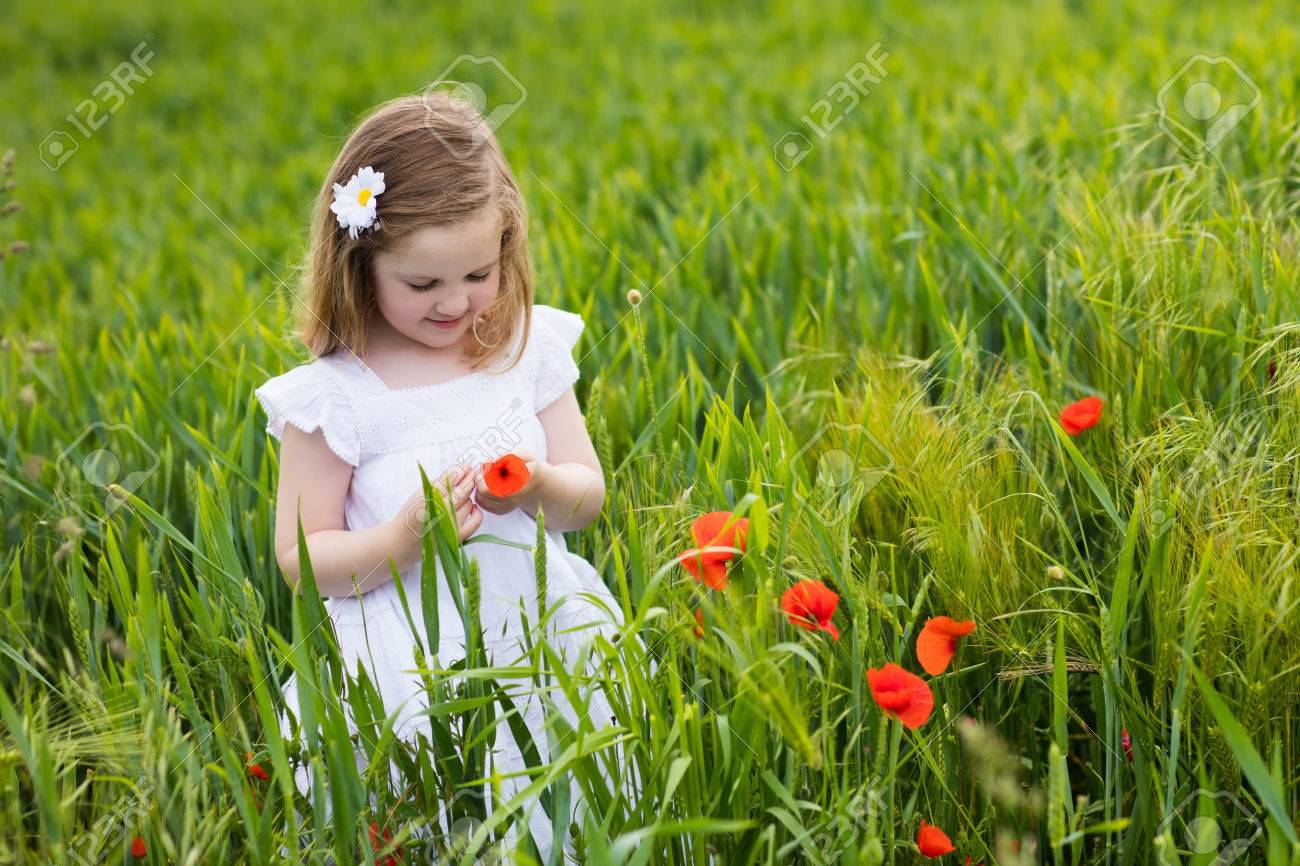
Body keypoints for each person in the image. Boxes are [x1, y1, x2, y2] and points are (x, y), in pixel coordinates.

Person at [254, 91, 625, 859]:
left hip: (544, 633)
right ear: (360, 265)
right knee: (433, 825)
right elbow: (301, 558)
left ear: (506, 246)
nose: (455, 303)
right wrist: (402, 541)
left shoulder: (523, 347)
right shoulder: (337, 397)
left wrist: (540, 487)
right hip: (409, 664)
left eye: (478, 274)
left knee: (575, 811)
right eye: (422, 285)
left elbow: (586, 496)